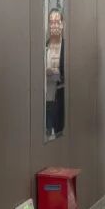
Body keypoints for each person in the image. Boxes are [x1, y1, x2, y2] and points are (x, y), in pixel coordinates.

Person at [45, 8, 65, 138]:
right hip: (46, 97)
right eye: (51, 22)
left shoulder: (67, 46)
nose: (54, 25)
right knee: (46, 133)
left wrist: (55, 73)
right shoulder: (46, 44)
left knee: (59, 134)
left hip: (59, 96)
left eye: (57, 21)